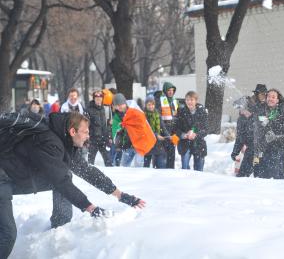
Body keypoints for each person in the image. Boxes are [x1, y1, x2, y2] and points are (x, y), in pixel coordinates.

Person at [0, 111, 145, 258]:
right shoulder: (49, 141)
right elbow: (61, 181)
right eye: (86, 132)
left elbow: (87, 171)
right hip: (3, 177)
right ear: (72, 131)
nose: (88, 136)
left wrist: (120, 195)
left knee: (65, 175)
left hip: (16, 177)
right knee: (7, 234)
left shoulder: (66, 143)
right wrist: (91, 208)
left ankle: (59, 227)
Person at [252, 89, 284, 179]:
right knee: (260, 178)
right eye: (269, 96)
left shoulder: (283, 113)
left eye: (273, 97)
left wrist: (276, 137)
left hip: (277, 151)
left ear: (277, 100)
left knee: (276, 178)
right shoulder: (260, 111)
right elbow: (257, 130)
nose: (270, 99)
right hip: (261, 150)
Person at [176, 91, 208, 171]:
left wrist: (196, 134)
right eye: (187, 100)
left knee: (199, 170)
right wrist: (183, 135)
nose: (189, 102)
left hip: (199, 144)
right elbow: (176, 128)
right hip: (185, 144)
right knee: (185, 168)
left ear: (196, 101)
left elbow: (205, 129)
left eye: (191, 100)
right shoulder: (181, 112)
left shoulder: (202, 112)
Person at [156, 82, 179, 169]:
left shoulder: (174, 101)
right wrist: (165, 133)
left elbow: (176, 116)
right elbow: (159, 118)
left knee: (171, 155)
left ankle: (170, 172)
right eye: (169, 90)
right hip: (163, 130)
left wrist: (175, 132)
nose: (171, 92)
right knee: (163, 155)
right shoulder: (160, 100)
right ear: (165, 90)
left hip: (172, 130)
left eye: (172, 90)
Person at [231, 96, 255, 177]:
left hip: (261, 152)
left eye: (241, 108)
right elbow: (239, 138)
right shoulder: (241, 119)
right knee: (242, 176)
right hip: (250, 151)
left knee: (259, 176)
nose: (240, 111)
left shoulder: (259, 117)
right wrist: (235, 152)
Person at [86, 90, 112, 167]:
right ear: (94, 98)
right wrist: (87, 137)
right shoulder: (88, 109)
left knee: (108, 162)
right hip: (93, 140)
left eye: (100, 97)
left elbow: (109, 125)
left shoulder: (106, 109)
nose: (98, 99)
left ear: (102, 98)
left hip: (104, 139)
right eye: (96, 98)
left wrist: (109, 136)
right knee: (90, 163)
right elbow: (86, 125)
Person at [144, 97, 167, 169]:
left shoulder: (157, 114)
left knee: (161, 166)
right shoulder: (143, 115)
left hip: (157, 144)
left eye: (152, 104)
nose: (151, 106)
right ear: (146, 105)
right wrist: (156, 135)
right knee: (146, 166)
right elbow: (146, 130)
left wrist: (169, 136)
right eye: (149, 105)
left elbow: (163, 127)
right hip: (148, 143)